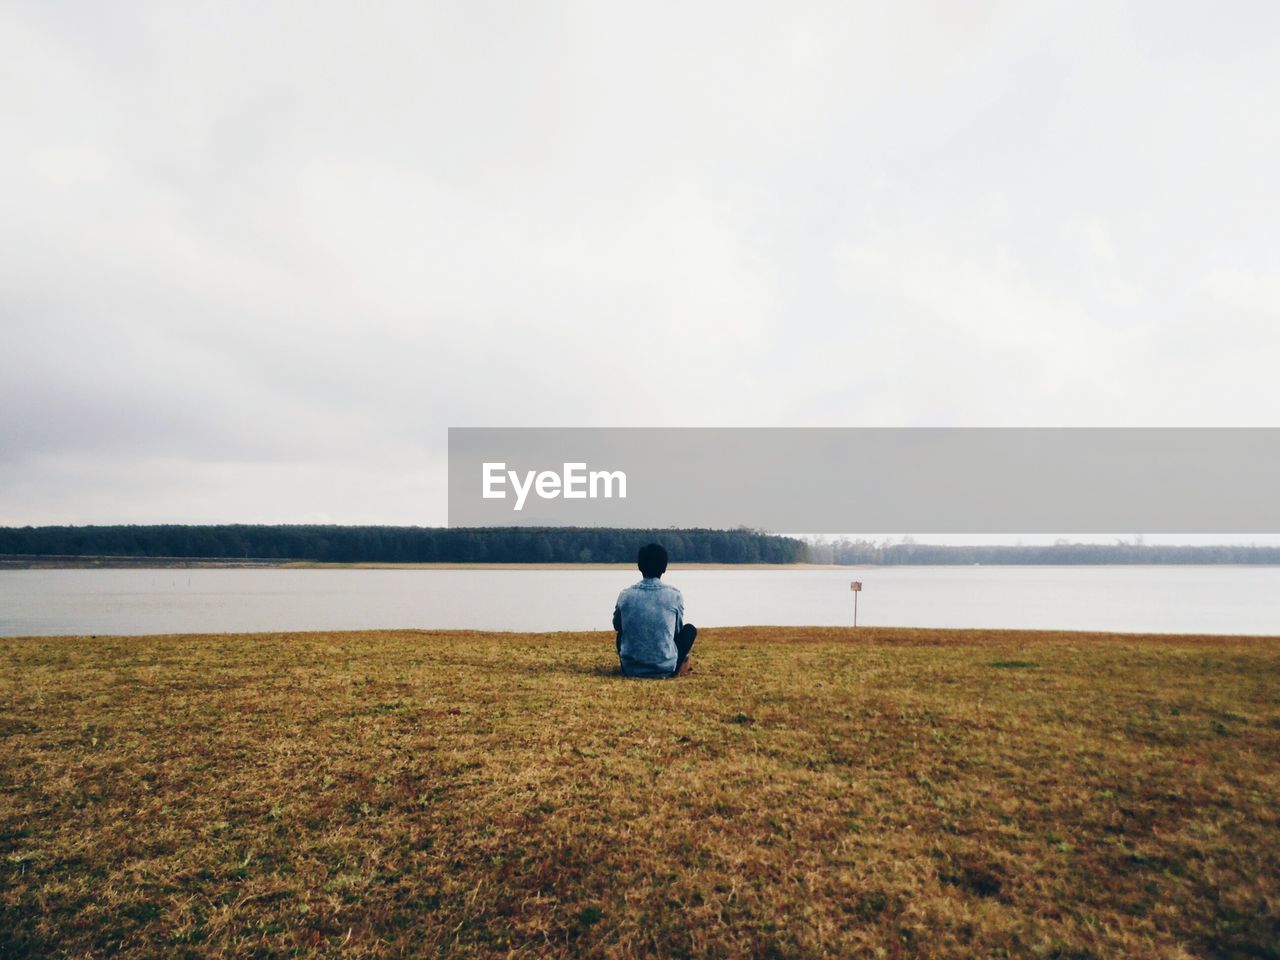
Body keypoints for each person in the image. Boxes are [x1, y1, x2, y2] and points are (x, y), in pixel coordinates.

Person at [612, 542, 697, 678]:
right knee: (690, 630)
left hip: (630, 669)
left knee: (621, 634)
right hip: (666, 668)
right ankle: (679, 664)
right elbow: (676, 631)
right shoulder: (674, 595)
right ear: (664, 568)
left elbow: (617, 625)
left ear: (639, 566)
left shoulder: (625, 595)